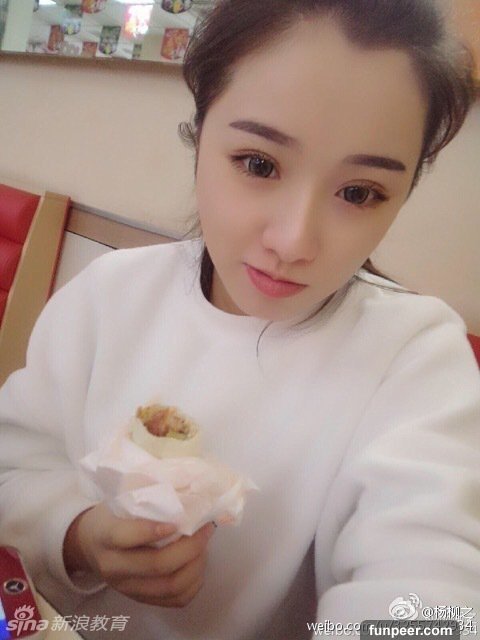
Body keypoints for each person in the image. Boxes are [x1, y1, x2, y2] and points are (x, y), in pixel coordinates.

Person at [0, 1, 479, 638]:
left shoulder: (416, 356)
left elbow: (429, 589)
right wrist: (80, 537)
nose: (293, 241)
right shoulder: (108, 296)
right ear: (200, 132)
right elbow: (12, 471)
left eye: (359, 192)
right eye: (259, 164)